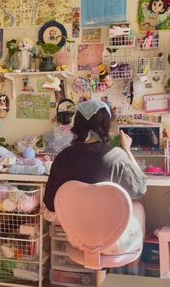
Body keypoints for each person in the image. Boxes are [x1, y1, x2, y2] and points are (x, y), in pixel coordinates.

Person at [44, 100, 147, 274]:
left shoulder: (62, 157)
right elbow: (140, 188)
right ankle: (133, 270)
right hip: (114, 244)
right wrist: (127, 150)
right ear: (106, 125)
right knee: (139, 206)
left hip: (78, 240)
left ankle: (112, 276)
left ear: (77, 124)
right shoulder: (116, 156)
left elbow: (51, 204)